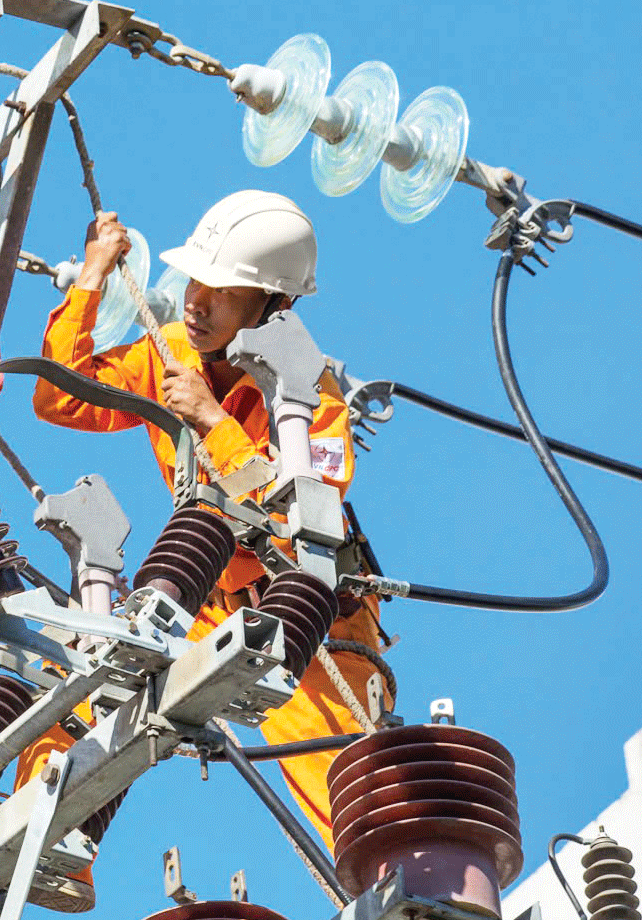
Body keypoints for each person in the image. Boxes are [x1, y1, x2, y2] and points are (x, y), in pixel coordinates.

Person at [27, 190, 392, 849]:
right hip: (206, 597)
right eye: (197, 279)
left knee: (342, 785)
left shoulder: (311, 394)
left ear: (274, 304)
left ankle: (398, 886)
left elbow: (302, 518)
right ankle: (53, 847)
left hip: (305, 610)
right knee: (93, 684)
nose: (196, 300)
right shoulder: (169, 356)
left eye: (223, 291)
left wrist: (215, 423)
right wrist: (94, 271)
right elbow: (58, 394)